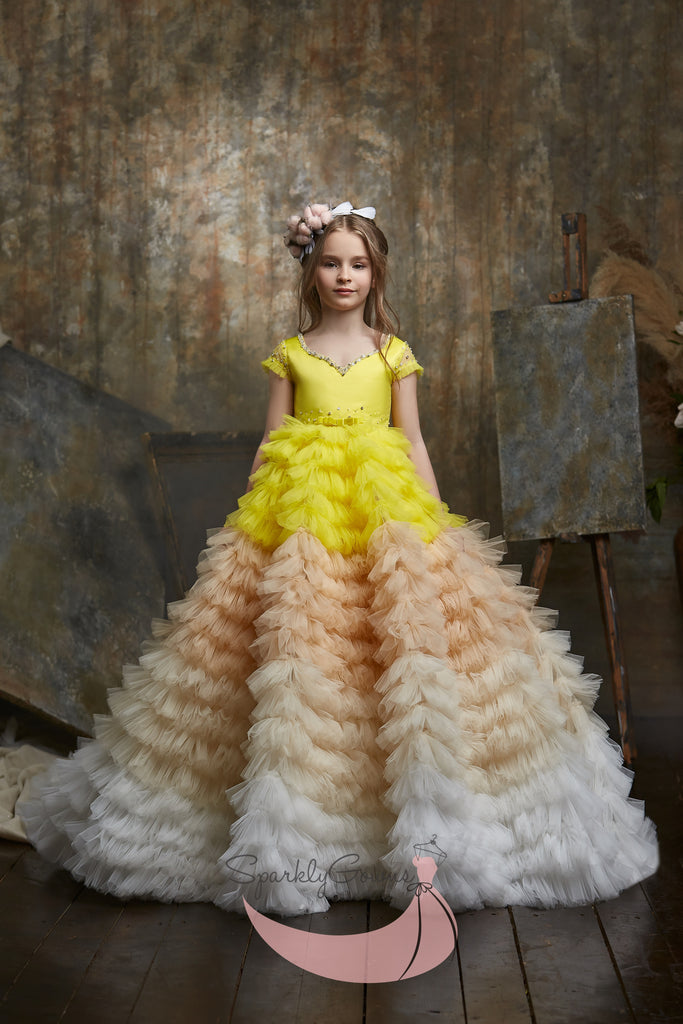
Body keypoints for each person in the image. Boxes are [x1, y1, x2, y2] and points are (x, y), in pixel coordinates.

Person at [22, 201, 658, 917]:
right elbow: (269, 440)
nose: (344, 275)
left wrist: (434, 520)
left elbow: (411, 440)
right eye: (331, 262)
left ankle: (411, 831)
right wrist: (255, 516)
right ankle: (297, 826)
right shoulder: (291, 353)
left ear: (375, 272)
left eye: (357, 264)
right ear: (311, 271)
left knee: (394, 647)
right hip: (301, 514)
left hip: (384, 509)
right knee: (300, 647)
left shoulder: (392, 353)